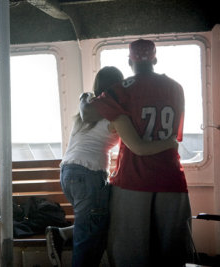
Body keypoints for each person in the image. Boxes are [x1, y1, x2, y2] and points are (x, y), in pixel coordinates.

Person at [46, 66, 179, 267]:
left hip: (68, 173)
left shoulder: (86, 110)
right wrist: (170, 143)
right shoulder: (115, 115)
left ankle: (61, 233)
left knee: (99, 221)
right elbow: (140, 148)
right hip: (89, 175)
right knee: (89, 243)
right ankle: (63, 236)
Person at [80, 39, 192, 266]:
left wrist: (83, 99)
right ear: (155, 60)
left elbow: (89, 114)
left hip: (132, 179)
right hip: (171, 177)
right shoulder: (176, 88)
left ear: (129, 62)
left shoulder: (122, 89)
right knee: (174, 252)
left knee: (130, 253)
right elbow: (174, 137)